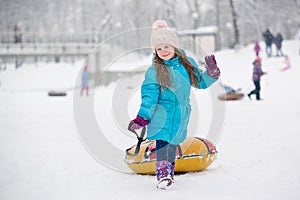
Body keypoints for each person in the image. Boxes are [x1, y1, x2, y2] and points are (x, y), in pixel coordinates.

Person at [128, 20, 220, 189]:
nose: (163, 51)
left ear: (175, 47)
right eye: (159, 48)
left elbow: (200, 82)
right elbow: (149, 96)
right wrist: (142, 117)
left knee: (172, 144)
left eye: (167, 47)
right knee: (163, 143)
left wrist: (211, 74)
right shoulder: (154, 71)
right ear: (155, 50)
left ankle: (168, 170)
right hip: (160, 115)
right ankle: (163, 174)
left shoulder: (187, 63)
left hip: (180, 115)